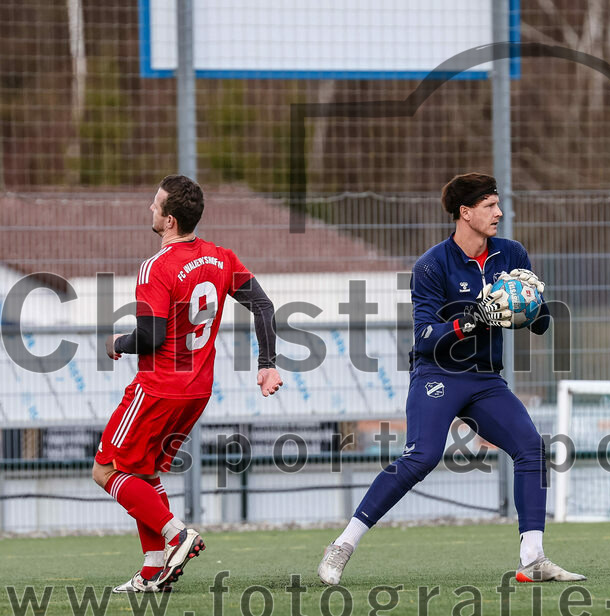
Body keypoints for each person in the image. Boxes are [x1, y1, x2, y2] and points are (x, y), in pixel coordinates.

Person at [318, 172, 585, 584]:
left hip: (484, 379)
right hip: (437, 374)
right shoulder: (431, 265)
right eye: (489, 205)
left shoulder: (512, 253)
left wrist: (530, 308)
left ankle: (532, 559)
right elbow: (425, 338)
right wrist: (472, 320)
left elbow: (541, 323)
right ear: (465, 212)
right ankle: (342, 545)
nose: (499, 212)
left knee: (531, 448)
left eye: (498, 204)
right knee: (421, 457)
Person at [94, 174, 282, 593]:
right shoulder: (221, 257)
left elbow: (152, 336)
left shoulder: (156, 266)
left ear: (170, 220)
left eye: (156, 204)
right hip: (196, 390)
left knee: (106, 469)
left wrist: (117, 342)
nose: (150, 209)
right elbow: (264, 307)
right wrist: (267, 363)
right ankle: (151, 569)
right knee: (145, 471)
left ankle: (176, 533)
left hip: (158, 387)